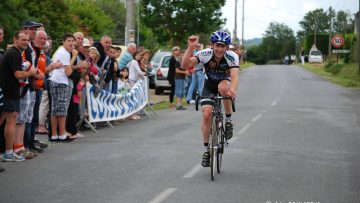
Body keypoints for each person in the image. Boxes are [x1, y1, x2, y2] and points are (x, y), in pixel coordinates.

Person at [181, 31, 239, 167]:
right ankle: (206, 150)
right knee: (207, 115)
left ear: (227, 47)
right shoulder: (205, 54)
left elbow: (235, 76)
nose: (220, 49)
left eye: (223, 46)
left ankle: (228, 120)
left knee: (224, 88)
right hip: (208, 85)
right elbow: (185, 65)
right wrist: (190, 47)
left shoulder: (232, 56)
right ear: (212, 45)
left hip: (224, 82)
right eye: (217, 45)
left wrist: (233, 89)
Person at [0, 30, 37, 162]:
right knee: (11, 122)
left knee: (6, 121)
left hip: (10, 91)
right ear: (15, 40)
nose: (26, 42)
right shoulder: (14, 53)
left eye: (27, 40)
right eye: (23, 40)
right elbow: (18, 75)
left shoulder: (14, 53)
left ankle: (8, 152)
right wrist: (31, 72)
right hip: (9, 92)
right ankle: (9, 153)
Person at [48, 33, 76, 142]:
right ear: (63, 42)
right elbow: (68, 71)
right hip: (60, 82)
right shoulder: (65, 53)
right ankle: (62, 133)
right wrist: (73, 56)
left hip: (55, 81)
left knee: (55, 109)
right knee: (62, 109)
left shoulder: (61, 52)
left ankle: (55, 135)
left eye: (72, 41)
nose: (71, 43)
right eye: (69, 41)